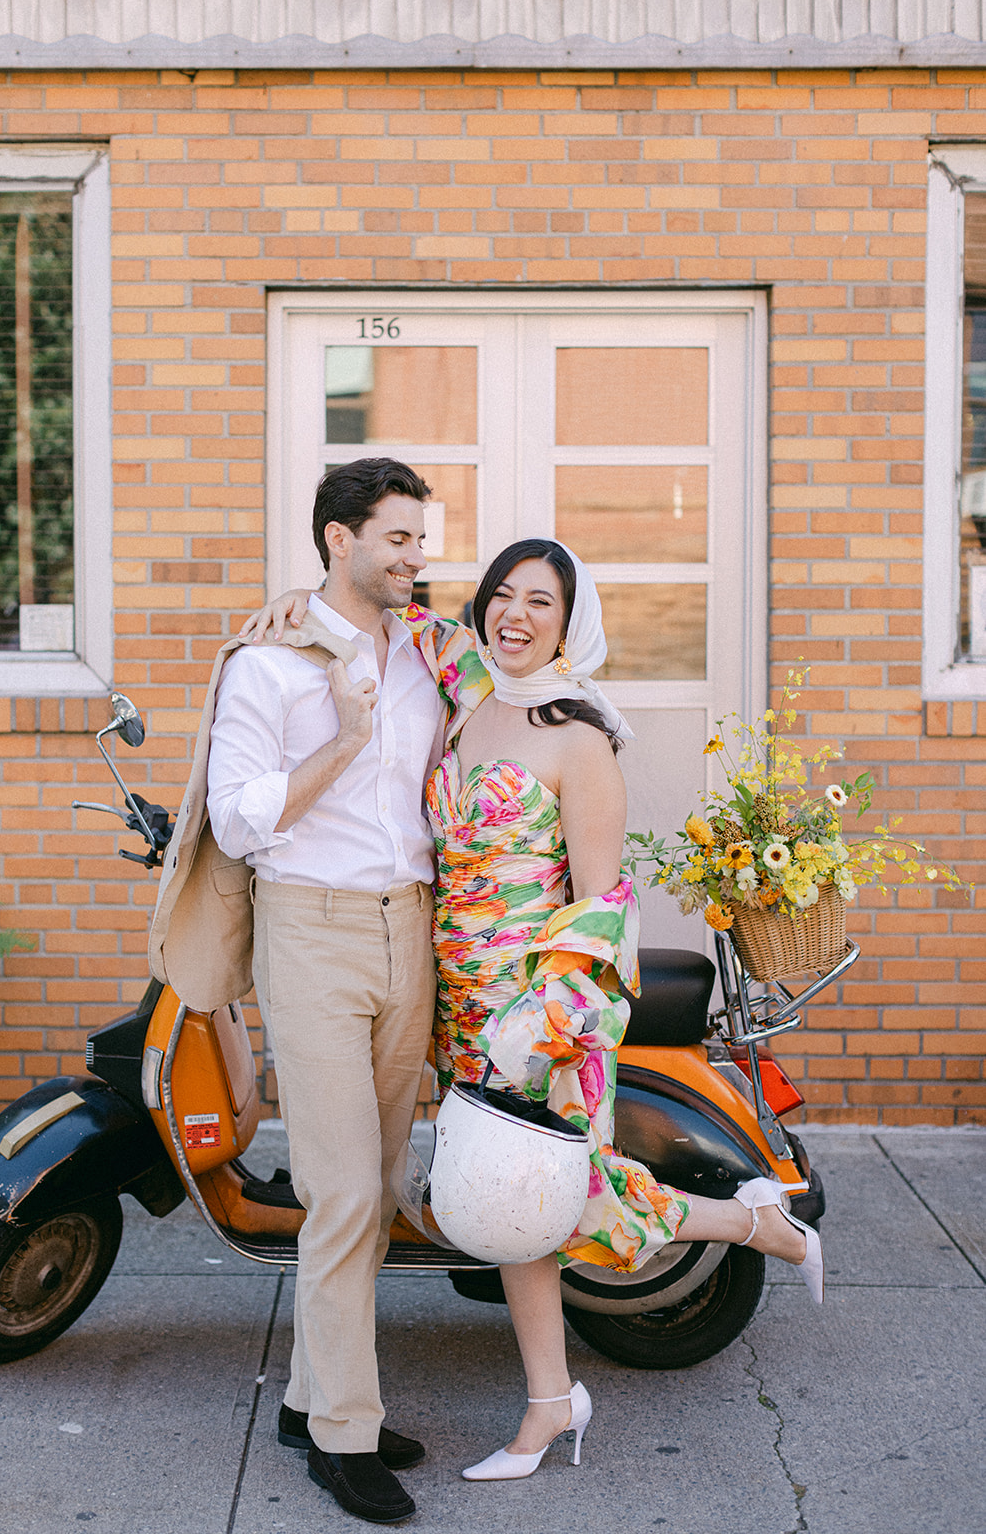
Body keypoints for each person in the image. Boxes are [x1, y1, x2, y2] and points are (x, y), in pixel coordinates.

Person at [248, 536, 824, 1487]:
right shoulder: (466, 686)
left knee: (546, 1199)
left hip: (541, 1015)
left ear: (571, 622)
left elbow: (601, 898)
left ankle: (742, 1235)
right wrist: (287, 609)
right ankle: (571, 1384)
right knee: (511, 1204)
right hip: (458, 1008)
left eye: (540, 604)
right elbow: (374, 607)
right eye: (502, 596)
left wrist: (547, 1023)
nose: (515, 615)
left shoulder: (579, 733)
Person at [206, 457, 452, 1527]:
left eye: (421, 537)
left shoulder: (430, 650)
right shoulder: (266, 665)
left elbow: (532, 668)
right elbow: (234, 818)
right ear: (338, 538)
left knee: (381, 1177)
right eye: (396, 538)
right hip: (309, 931)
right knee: (343, 1191)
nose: (416, 556)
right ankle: (343, 1438)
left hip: (413, 930)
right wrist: (345, 739)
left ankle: (312, 1400)